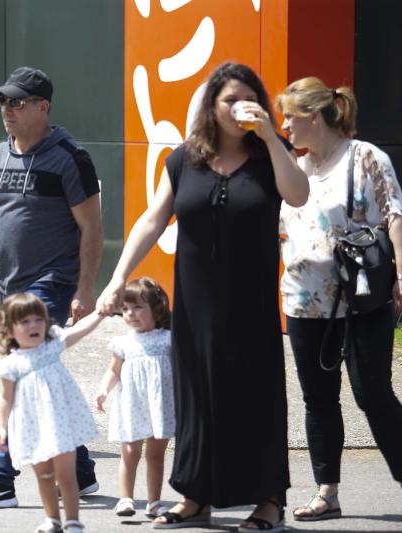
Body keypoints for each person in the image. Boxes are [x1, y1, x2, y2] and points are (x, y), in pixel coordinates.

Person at [97, 62, 309, 532]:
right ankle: (196, 496)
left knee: (254, 398)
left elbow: (297, 195)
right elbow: (152, 221)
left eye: (247, 98)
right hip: (194, 306)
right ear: (211, 106)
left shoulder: (268, 155)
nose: (238, 108)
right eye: (229, 99)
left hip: (250, 305)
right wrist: (116, 279)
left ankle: (268, 500)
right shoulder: (184, 159)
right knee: (196, 399)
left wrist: (272, 138)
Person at [0, 66, 104, 508]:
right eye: (3, 101)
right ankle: (80, 468)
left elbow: (92, 228)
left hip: (52, 286)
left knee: (23, 375)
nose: (8, 109)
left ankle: (0, 477)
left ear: (44, 107)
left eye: (18, 102)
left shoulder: (69, 157)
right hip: (11, 288)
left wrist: (85, 289)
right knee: (43, 374)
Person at [276, 77, 402, 520]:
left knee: (373, 394)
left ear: (314, 115)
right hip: (303, 300)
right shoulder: (293, 165)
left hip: (360, 298)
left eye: (290, 115)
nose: (285, 124)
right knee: (318, 398)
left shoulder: (365, 157)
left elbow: (394, 215)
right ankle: (327, 492)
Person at [0, 293, 103, 533]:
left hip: (60, 422)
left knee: (65, 476)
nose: (33, 326)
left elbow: (80, 331)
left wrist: (100, 313)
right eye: (24, 322)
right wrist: (1, 427)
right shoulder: (10, 364)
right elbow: (5, 398)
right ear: (9, 331)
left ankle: (73, 521)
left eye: (37, 320)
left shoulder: (51, 346)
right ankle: (52, 519)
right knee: (43, 476)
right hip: (31, 427)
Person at [95, 277, 173, 519]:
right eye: (126, 308)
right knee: (129, 452)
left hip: (160, 405)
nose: (130, 313)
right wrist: (103, 390)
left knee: (155, 454)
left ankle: (154, 501)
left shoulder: (169, 339)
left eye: (138, 307)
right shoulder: (124, 342)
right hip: (132, 405)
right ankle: (126, 498)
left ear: (157, 308)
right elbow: (114, 369)